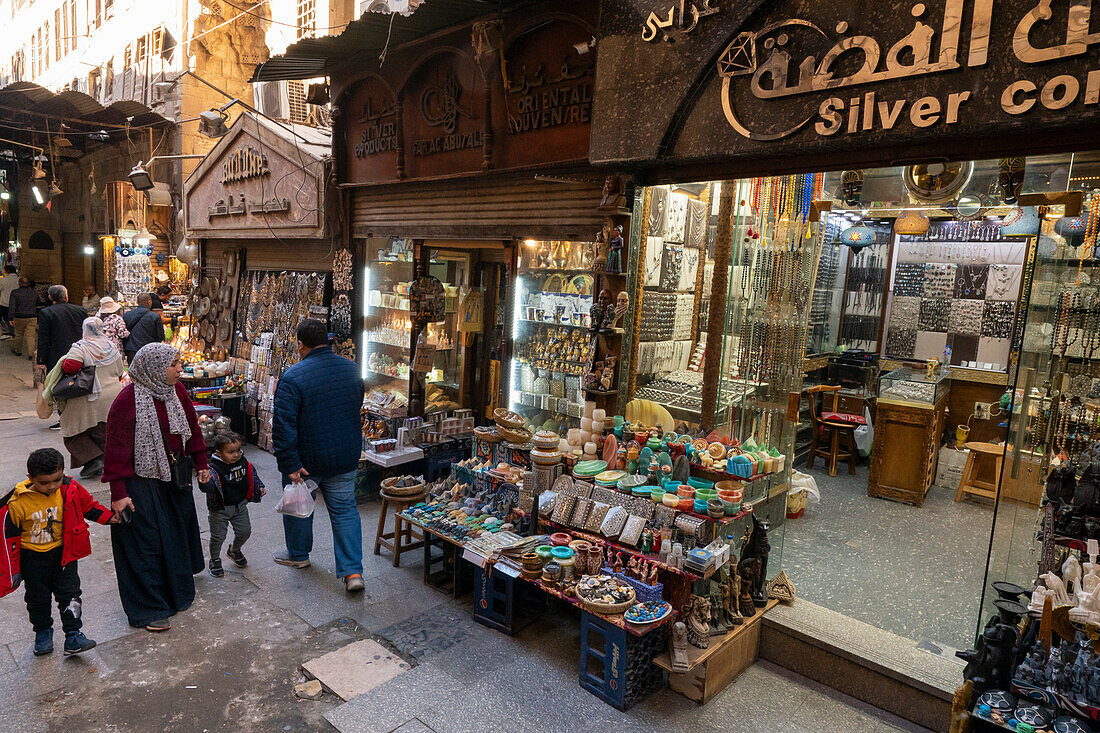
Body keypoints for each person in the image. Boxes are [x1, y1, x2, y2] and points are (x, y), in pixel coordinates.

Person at [102, 343, 209, 632]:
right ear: (153, 368)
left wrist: (202, 463)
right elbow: (116, 452)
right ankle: (148, 608)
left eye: (179, 363)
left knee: (173, 538)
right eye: (173, 364)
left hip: (174, 478)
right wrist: (118, 494)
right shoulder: (127, 401)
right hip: (140, 482)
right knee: (145, 544)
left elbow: (192, 430)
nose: (179, 369)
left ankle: (175, 595)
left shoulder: (177, 392)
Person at [272, 318, 366, 593]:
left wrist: (289, 462)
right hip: (344, 455)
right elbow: (355, 404)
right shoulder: (351, 369)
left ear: (300, 344)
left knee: (299, 507)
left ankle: (299, 556)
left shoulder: (293, 376)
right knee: (345, 511)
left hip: (307, 460)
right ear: (328, 340)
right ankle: (352, 573)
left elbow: (283, 425)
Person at [0, 448, 116, 656]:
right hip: (33, 560)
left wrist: (110, 518)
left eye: (57, 479)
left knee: (71, 595)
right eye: (44, 483)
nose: (52, 486)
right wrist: (12, 570)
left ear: (62, 472)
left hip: (64, 555)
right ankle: (43, 632)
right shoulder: (17, 503)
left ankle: (74, 635)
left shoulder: (69, 489)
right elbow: (9, 540)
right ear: (31, 478)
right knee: (37, 598)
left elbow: (88, 507)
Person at [44, 318, 126, 480]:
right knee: (102, 430)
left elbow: (71, 366)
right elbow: (119, 371)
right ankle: (101, 461)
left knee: (72, 429)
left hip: (88, 396)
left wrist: (63, 362)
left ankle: (93, 460)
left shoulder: (81, 347)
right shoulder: (111, 346)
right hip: (111, 395)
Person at [198, 431, 265, 578]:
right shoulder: (213, 468)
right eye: (231, 452)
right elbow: (207, 488)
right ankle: (215, 559)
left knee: (245, 531)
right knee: (218, 536)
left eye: (238, 450)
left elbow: (252, 474)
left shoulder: (243, 462)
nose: (236, 455)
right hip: (219, 509)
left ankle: (234, 550)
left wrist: (259, 485)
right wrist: (204, 482)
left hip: (240, 506)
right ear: (219, 453)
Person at [36, 285, 86, 378]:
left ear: (50, 297)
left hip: (55, 355)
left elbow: (43, 338)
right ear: (66, 297)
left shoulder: (46, 312)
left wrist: (41, 360)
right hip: (77, 354)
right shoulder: (80, 311)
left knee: (55, 382)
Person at [122, 293, 165, 363]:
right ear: (149, 302)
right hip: (148, 350)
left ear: (137, 302)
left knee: (133, 372)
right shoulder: (155, 316)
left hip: (131, 350)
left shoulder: (127, 315)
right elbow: (160, 337)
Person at [9, 276, 37, 359]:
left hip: (19, 316)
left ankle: (18, 351)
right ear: (28, 284)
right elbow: (38, 303)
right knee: (31, 336)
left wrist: (10, 318)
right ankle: (31, 354)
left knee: (19, 334)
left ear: (19, 283)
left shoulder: (15, 292)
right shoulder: (34, 293)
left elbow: (12, 306)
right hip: (32, 316)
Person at [0, 264, 18, 338]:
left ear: (7, 271)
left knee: (5, 317)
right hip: (16, 303)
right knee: (14, 318)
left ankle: (6, 332)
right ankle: (13, 331)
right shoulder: (19, 279)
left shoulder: (3, 280)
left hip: (4, 302)